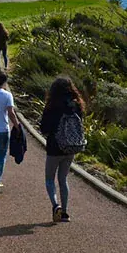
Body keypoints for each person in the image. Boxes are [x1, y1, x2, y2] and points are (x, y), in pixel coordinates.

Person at [40, 76, 86, 223]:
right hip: (71, 147)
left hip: (54, 147)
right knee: (63, 179)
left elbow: (44, 128)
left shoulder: (52, 105)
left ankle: (55, 205)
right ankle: (65, 213)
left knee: (49, 179)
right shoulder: (77, 105)